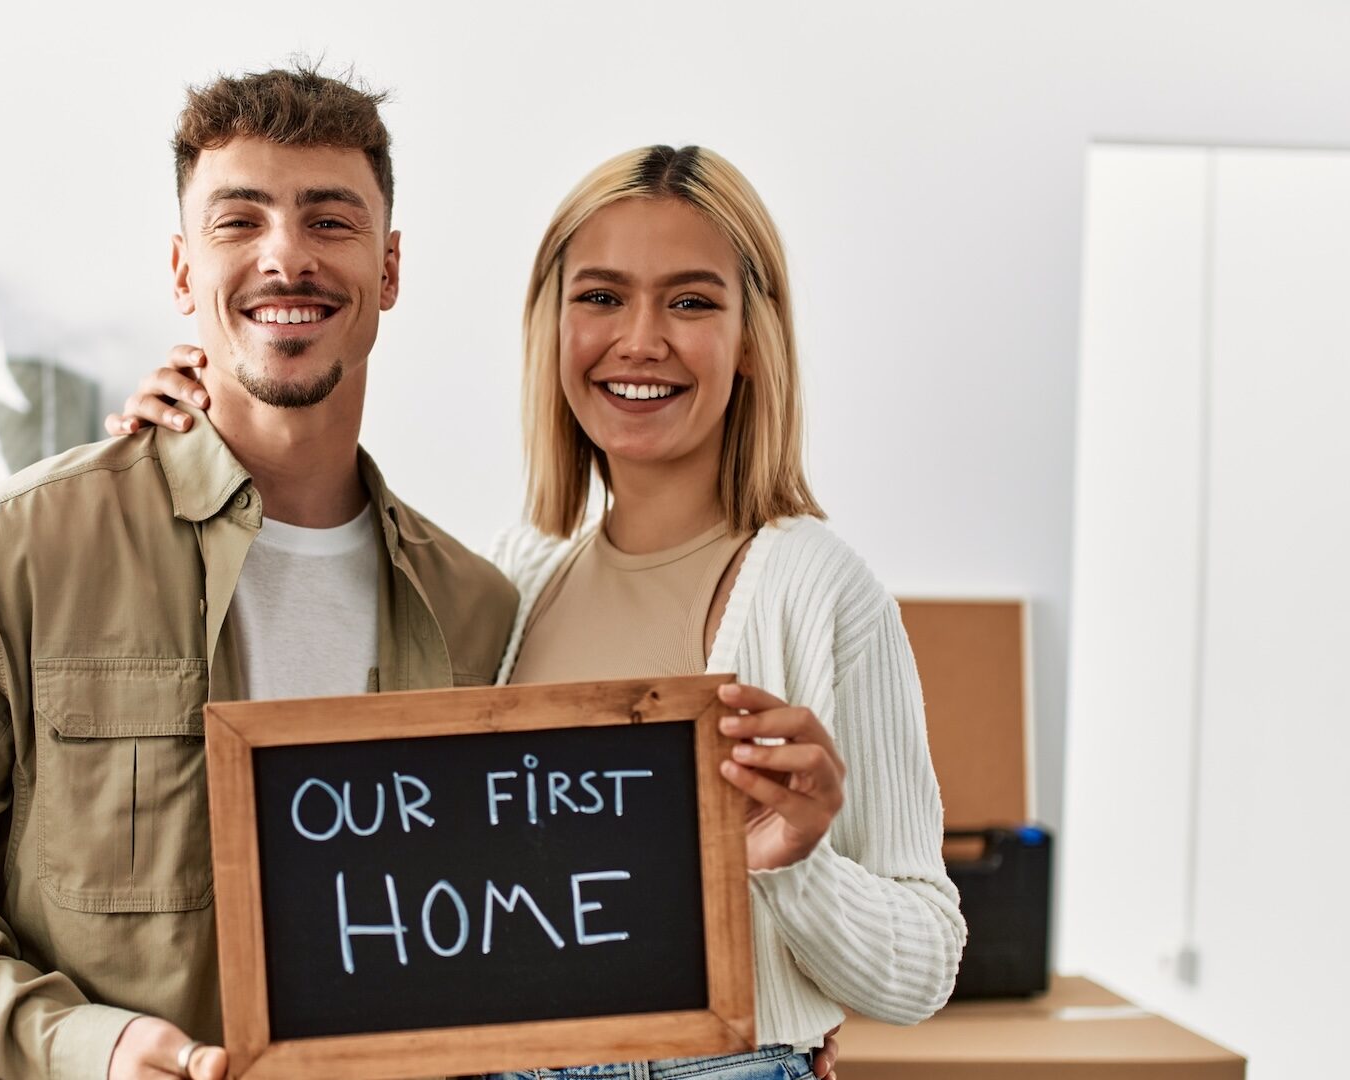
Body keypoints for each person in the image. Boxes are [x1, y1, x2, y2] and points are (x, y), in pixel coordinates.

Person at [110, 145, 964, 1080]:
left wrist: (793, 862)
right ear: (552, 329)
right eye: (599, 297)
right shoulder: (515, 580)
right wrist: (191, 432)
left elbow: (922, 968)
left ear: (755, 339)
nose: (641, 340)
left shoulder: (818, 589)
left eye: (691, 301)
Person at [0, 66, 519, 1080]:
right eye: (238, 221)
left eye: (329, 221)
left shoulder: (476, 607)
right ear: (181, 271)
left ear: (388, 271)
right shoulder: (16, 553)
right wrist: (87, 1045)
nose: (285, 255)